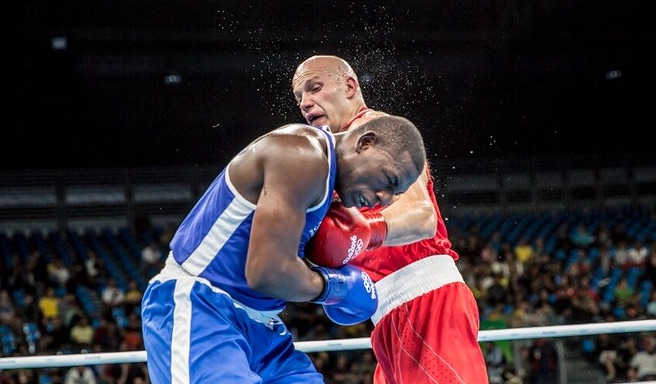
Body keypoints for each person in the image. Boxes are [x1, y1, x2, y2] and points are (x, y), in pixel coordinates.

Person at [141, 116, 427, 383]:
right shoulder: (302, 156)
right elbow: (268, 272)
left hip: (263, 327)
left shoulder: (329, 189)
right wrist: (337, 288)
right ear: (365, 143)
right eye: (389, 181)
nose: (385, 199)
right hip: (203, 306)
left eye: (396, 194)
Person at [291, 55, 488, 383]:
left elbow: (421, 216)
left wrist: (362, 232)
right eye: (299, 98)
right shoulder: (334, 160)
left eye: (315, 88)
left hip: (427, 302)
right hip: (386, 318)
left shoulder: (374, 131)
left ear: (350, 86)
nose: (306, 103)